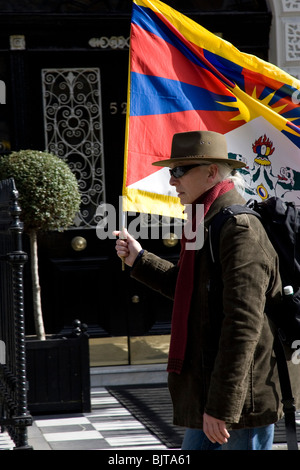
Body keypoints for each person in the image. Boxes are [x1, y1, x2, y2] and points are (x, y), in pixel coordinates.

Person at [114, 130, 287, 450]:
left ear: (211, 172)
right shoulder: (201, 220)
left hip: (240, 401)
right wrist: (139, 259)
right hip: (211, 389)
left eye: (180, 170)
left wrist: (221, 408)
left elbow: (243, 324)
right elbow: (192, 291)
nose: (171, 181)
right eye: (170, 171)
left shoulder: (239, 227)